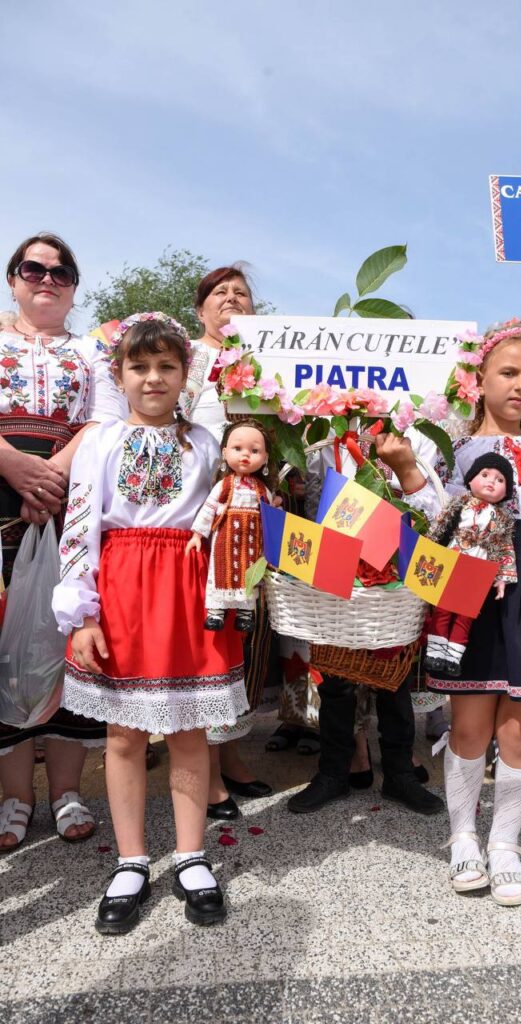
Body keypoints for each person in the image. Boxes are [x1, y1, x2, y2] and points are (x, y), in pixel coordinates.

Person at [377, 318, 521, 906]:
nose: (520, 386)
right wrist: (405, 469)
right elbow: (438, 517)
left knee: (520, 729)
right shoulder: (454, 450)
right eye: (508, 372)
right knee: (471, 724)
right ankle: (462, 837)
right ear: (479, 378)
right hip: (473, 594)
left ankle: (504, 845)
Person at [52, 312, 248, 934]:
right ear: (120, 374)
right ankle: (133, 859)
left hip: (189, 588)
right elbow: (81, 527)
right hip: (124, 587)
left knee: (189, 729)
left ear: (185, 374)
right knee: (123, 734)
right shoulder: (103, 441)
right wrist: (83, 613)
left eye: (167, 366)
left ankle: (191, 856)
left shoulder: (207, 444)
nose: (154, 378)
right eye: (140, 367)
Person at [0, 233, 126, 852]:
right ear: (13, 279)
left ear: (74, 286)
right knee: (5, 643)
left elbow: (104, 419)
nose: (47, 279)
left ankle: (68, 792)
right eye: (34, 268)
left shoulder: (93, 353)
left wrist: (50, 475)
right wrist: (11, 464)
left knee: (70, 637)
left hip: (71, 501)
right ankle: (15, 797)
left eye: (61, 271)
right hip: (0, 496)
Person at [287, 439, 445, 818]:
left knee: (394, 680)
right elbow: (311, 500)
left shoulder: (410, 435)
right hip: (333, 571)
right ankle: (333, 773)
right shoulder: (325, 436)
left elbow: (433, 513)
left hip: (393, 580)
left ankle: (399, 774)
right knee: (336, 682)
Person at [179, 265, 272, 814]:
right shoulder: (186, 358)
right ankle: (205, 768)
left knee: (246, 635)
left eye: (241, 294)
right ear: (200, 309)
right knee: (205, 636)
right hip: (197, 511)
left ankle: (232, 751)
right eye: (220, 293)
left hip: (252, 515)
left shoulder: (265, 364)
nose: (232, 300)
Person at [423, 453, 516, 678]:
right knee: (443, 609)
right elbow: (439, 526)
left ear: (506, 491)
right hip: (452, 562)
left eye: (500, 480)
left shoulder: (501, 518)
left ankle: (454, 656)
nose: (491, 482)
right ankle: (436, 653)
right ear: (471, 480)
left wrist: (502, 578)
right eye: (485, 475)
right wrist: (426, 548)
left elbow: (505, 548)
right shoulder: (460, 504)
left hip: (478, 570)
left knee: (465, 615)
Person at [186, 419, 275, 632]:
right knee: (220, 572)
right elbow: (209, 508)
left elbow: (270, 516)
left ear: (265, 458)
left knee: (248, 576)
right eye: (238, 448)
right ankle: (216, 612)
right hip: (225, 538)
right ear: (224, 452)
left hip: (252, 543)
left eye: (254, 450)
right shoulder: (224, 485)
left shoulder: (261, 489)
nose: (245, 455)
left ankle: (245, 614)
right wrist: (198, 534)